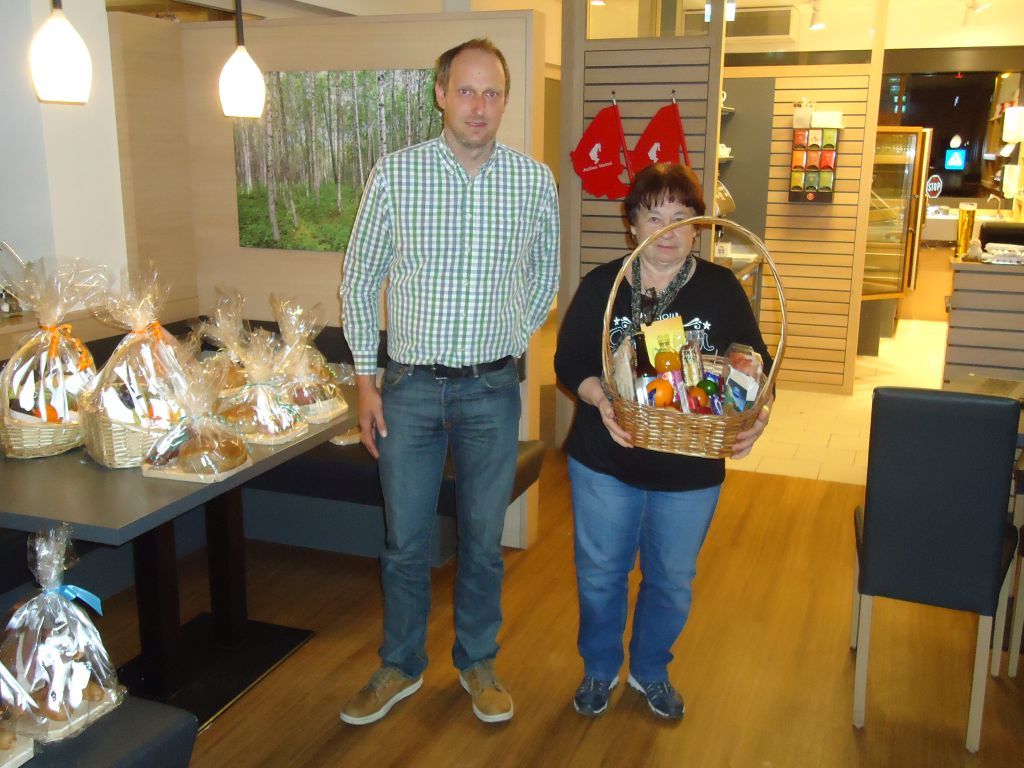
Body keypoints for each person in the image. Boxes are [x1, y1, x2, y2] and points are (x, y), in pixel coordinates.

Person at [338, 38, 559, 726]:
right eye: (466, 90)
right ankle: (401, 664)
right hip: (407, 391)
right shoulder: (395, 175)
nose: (478, 106)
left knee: (483, 542)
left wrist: (508, 338)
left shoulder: (533, 182)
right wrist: (365, 382)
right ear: (440, 94)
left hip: (491, 392)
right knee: (404, 542)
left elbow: (545, 276)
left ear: (504, 100)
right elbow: (359, 280)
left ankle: (478, 662)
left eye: (492, 93)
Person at [553, 162, 771, 720]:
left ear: (698, 227)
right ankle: (600, 668)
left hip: (690, 469)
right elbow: (570, 360)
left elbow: (757, 366)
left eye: (681, 217)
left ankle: (650, 670)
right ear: (632, 224)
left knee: (671, 580)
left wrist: (758, 415)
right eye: (655, 216)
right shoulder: (604, 284)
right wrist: (602, 399)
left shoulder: (720, 289)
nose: (668, 230)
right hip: (605, 458)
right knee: (600, 575)